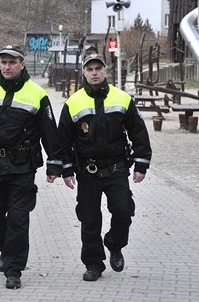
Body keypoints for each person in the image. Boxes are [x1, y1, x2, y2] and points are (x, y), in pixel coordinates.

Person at [0, 44, 64, 289]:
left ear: (22, 64)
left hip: (22, 167)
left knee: (18, 219)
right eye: (4, 62)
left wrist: (54, 164)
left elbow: (50, 133)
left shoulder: (37, 94)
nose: (7, 66)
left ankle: (14, 270)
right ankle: (7, 251)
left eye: (12, 62)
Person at [57, 53, 152, 282]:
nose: (95, 73)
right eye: (90, 69)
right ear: (84, 72)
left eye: (98, 68)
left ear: (105, 70)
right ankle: (93, 263)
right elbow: (63, 140)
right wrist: (67, 169)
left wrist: (141, 163)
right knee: (89, 219)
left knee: (122, 210)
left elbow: (138, 132)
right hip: (87, 171)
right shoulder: (73, 102)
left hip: (116, 168)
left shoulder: (122, 99)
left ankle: (115, 243)